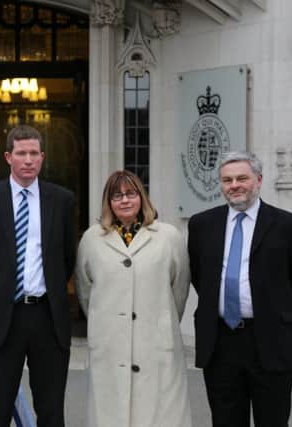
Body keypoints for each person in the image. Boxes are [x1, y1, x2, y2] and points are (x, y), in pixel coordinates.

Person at [188, 151, 292, 427]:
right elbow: (201, 277)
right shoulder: (202, 225)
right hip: (220, 343)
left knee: (273, 420)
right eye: (227, 179)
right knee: (225, 421)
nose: (234, 185)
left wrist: (275, 310)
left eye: (242, 178)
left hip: (270, 341)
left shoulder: (287, 224)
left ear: (258, 179)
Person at [0, 124, 76, 427]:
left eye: (34, 154)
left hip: (47, 318)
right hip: (3, 317)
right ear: (7, 157)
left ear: (42, 157)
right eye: (21, 153)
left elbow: (67, 258)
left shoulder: (62, 200)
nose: (28, 160)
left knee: (51, 410)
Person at [75, 170, 192, 427]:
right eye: (117, 195)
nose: (125, 200)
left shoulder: (169, 237)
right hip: (110, 345)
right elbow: (86, 292)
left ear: (142, 197)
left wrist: (160, 320)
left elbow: (179, 291)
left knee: (160, 415)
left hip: (156, 345)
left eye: (131, 193)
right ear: (108, 201)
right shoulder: (91, 240)